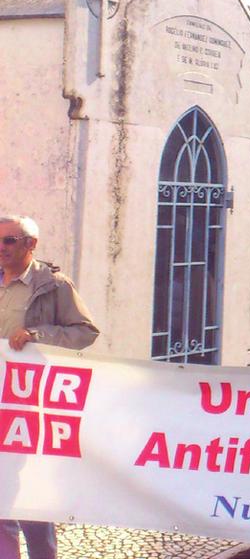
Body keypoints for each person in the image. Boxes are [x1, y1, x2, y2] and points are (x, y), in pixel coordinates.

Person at [1, 215, 100, 559]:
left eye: (9, 240)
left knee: (30, 499)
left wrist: (37, 335)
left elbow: (85, 332)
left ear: (31, 244)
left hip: (28, 404)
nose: (1, 248)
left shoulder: (54, 285)